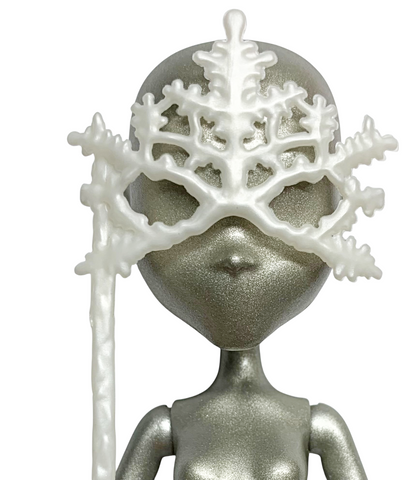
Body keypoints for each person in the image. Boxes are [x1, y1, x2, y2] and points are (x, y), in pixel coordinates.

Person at [116, 34, 368, 480]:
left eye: (287, 192)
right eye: (182, 192)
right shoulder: (166, 427)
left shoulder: (318, 426)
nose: (235, 253)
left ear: (336, 200)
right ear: (128, 200)